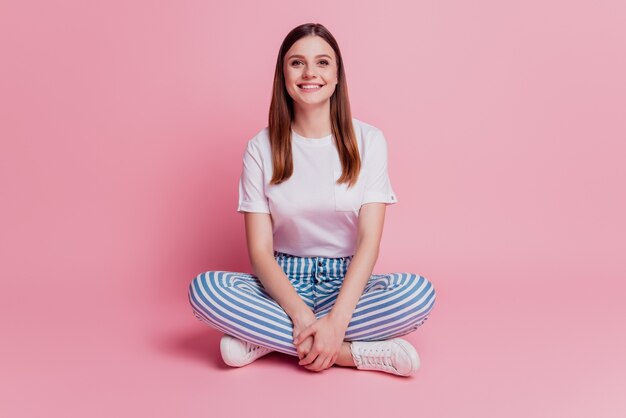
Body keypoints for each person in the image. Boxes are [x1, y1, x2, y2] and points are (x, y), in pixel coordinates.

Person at [188, 23, 437, 377]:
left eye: (322, 63)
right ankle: (353, 354)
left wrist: (338, 319)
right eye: (296, 63)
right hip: (283, 283)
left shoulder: (369, 140)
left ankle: (265, 338)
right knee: (205, 290)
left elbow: (369, 241)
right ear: (283, 75)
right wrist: (302, 314)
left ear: (337, 76)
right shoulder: (261, 147)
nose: (309, 73)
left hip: (348, 280)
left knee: (417, 295)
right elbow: (259, 251)